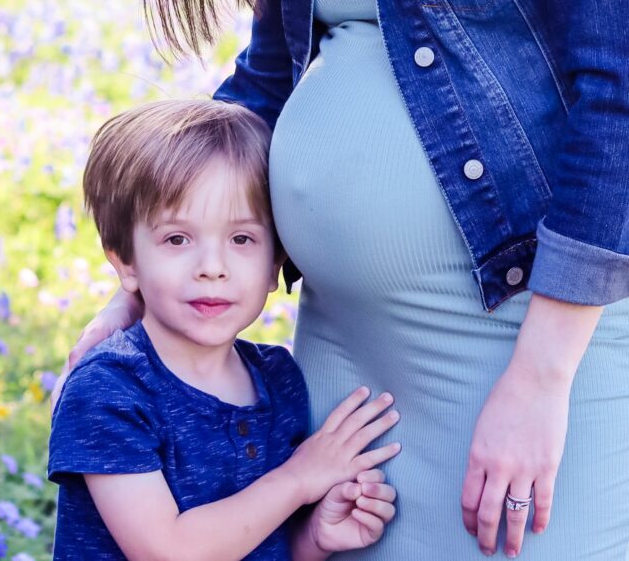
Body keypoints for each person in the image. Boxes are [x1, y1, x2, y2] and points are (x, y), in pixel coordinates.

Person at [58, 0, 629, 557]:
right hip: (343, 354)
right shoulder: (231, 385)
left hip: (530, 341)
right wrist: (140, 289)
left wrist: (540, 377)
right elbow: (266, 84)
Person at [48, 99, 404, 560]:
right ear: (126, 263)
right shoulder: (110, 389)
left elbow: (255, 543)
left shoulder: (278, 379)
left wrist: (315, 538)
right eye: (177, 238)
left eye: (241, 239)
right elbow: (168, 552)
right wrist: (298, 478)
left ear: (275, 263)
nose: (212, 267)